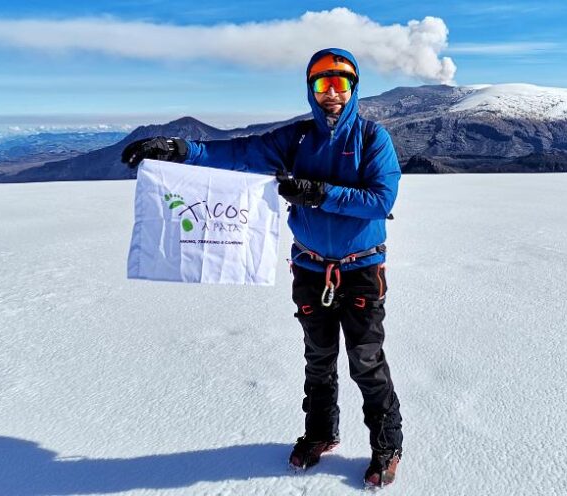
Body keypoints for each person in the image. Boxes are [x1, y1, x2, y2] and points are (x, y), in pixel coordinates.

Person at [121, 48, 403, 487]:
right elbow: (239, 153)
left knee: (366, 361)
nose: (331, 94)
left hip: (361, 269)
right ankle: (320, 433)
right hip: (310, 269)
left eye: (340, 84)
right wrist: (179, 149)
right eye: (322, 85)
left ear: (354, 89)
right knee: (318, 358)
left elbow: (381, 201)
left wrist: (316, 192)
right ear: (310, 90)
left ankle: (387, 445)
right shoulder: (297, 139)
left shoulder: (372, 139)